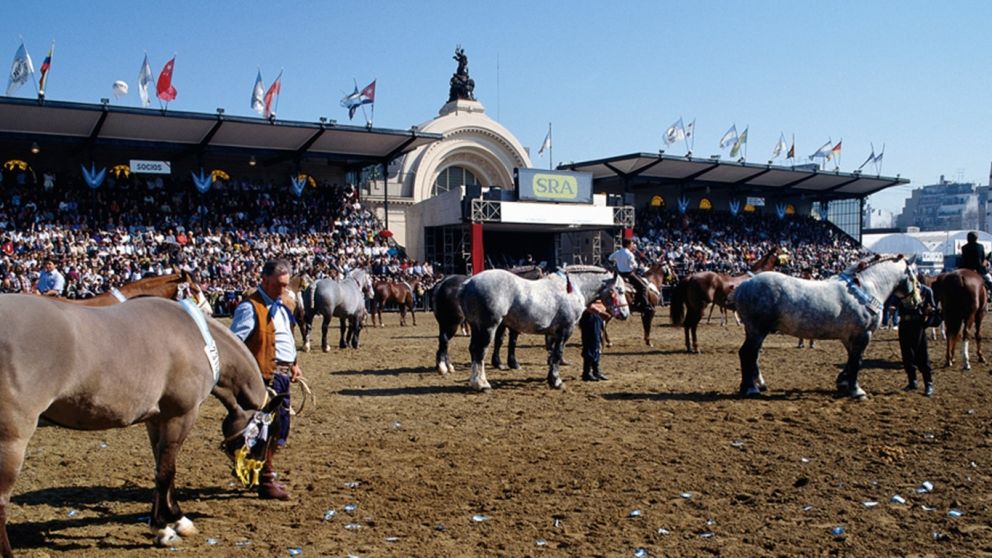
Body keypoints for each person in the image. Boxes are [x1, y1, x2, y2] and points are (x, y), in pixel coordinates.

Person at [230, 259, 301, 500]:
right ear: (265, 281)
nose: (283, 290)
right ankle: (266, 479)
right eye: (278, 285)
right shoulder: (251, 308)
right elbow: (235, 344)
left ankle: (257, 469)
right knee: (267, 429)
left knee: (280, 428)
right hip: (263, 378)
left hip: (281, 374)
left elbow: (283, 338)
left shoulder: (281, 307)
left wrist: (294, 364)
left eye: (285, 285)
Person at [898, 274, 937, 396]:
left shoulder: (926, 291)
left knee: (922, 354)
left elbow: (934, 309)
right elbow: (893, 303)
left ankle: (928, 383)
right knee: (907, 354)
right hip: (904, 323)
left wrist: (927, 320)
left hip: (918, 324)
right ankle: (912, 381)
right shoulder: (901, 292)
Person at [608, 238, 651, 311]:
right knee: (643, 287)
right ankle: (645, 305)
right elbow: (635, 266)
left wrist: (617, 263)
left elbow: (610, 258)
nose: (632, 245)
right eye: (631, 244)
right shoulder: (630, 254)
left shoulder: (617, 252)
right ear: (628, 245)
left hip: (619, 275)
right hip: (629, 275)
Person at [579, 302, 609, 381]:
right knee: (591, 344)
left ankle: (596, 370)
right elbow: (587, 303)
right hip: (590, 315)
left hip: (597, 315)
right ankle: (587, 372)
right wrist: (600, 312)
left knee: (597, 344)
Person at [960, 231, 992, 296]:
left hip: (966, 269)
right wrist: (986, 261)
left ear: (967, 238)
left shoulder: (963, 247)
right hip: (978, 269)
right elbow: (983, 260)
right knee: (989, 279)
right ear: (976, 238)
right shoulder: (980, 247)